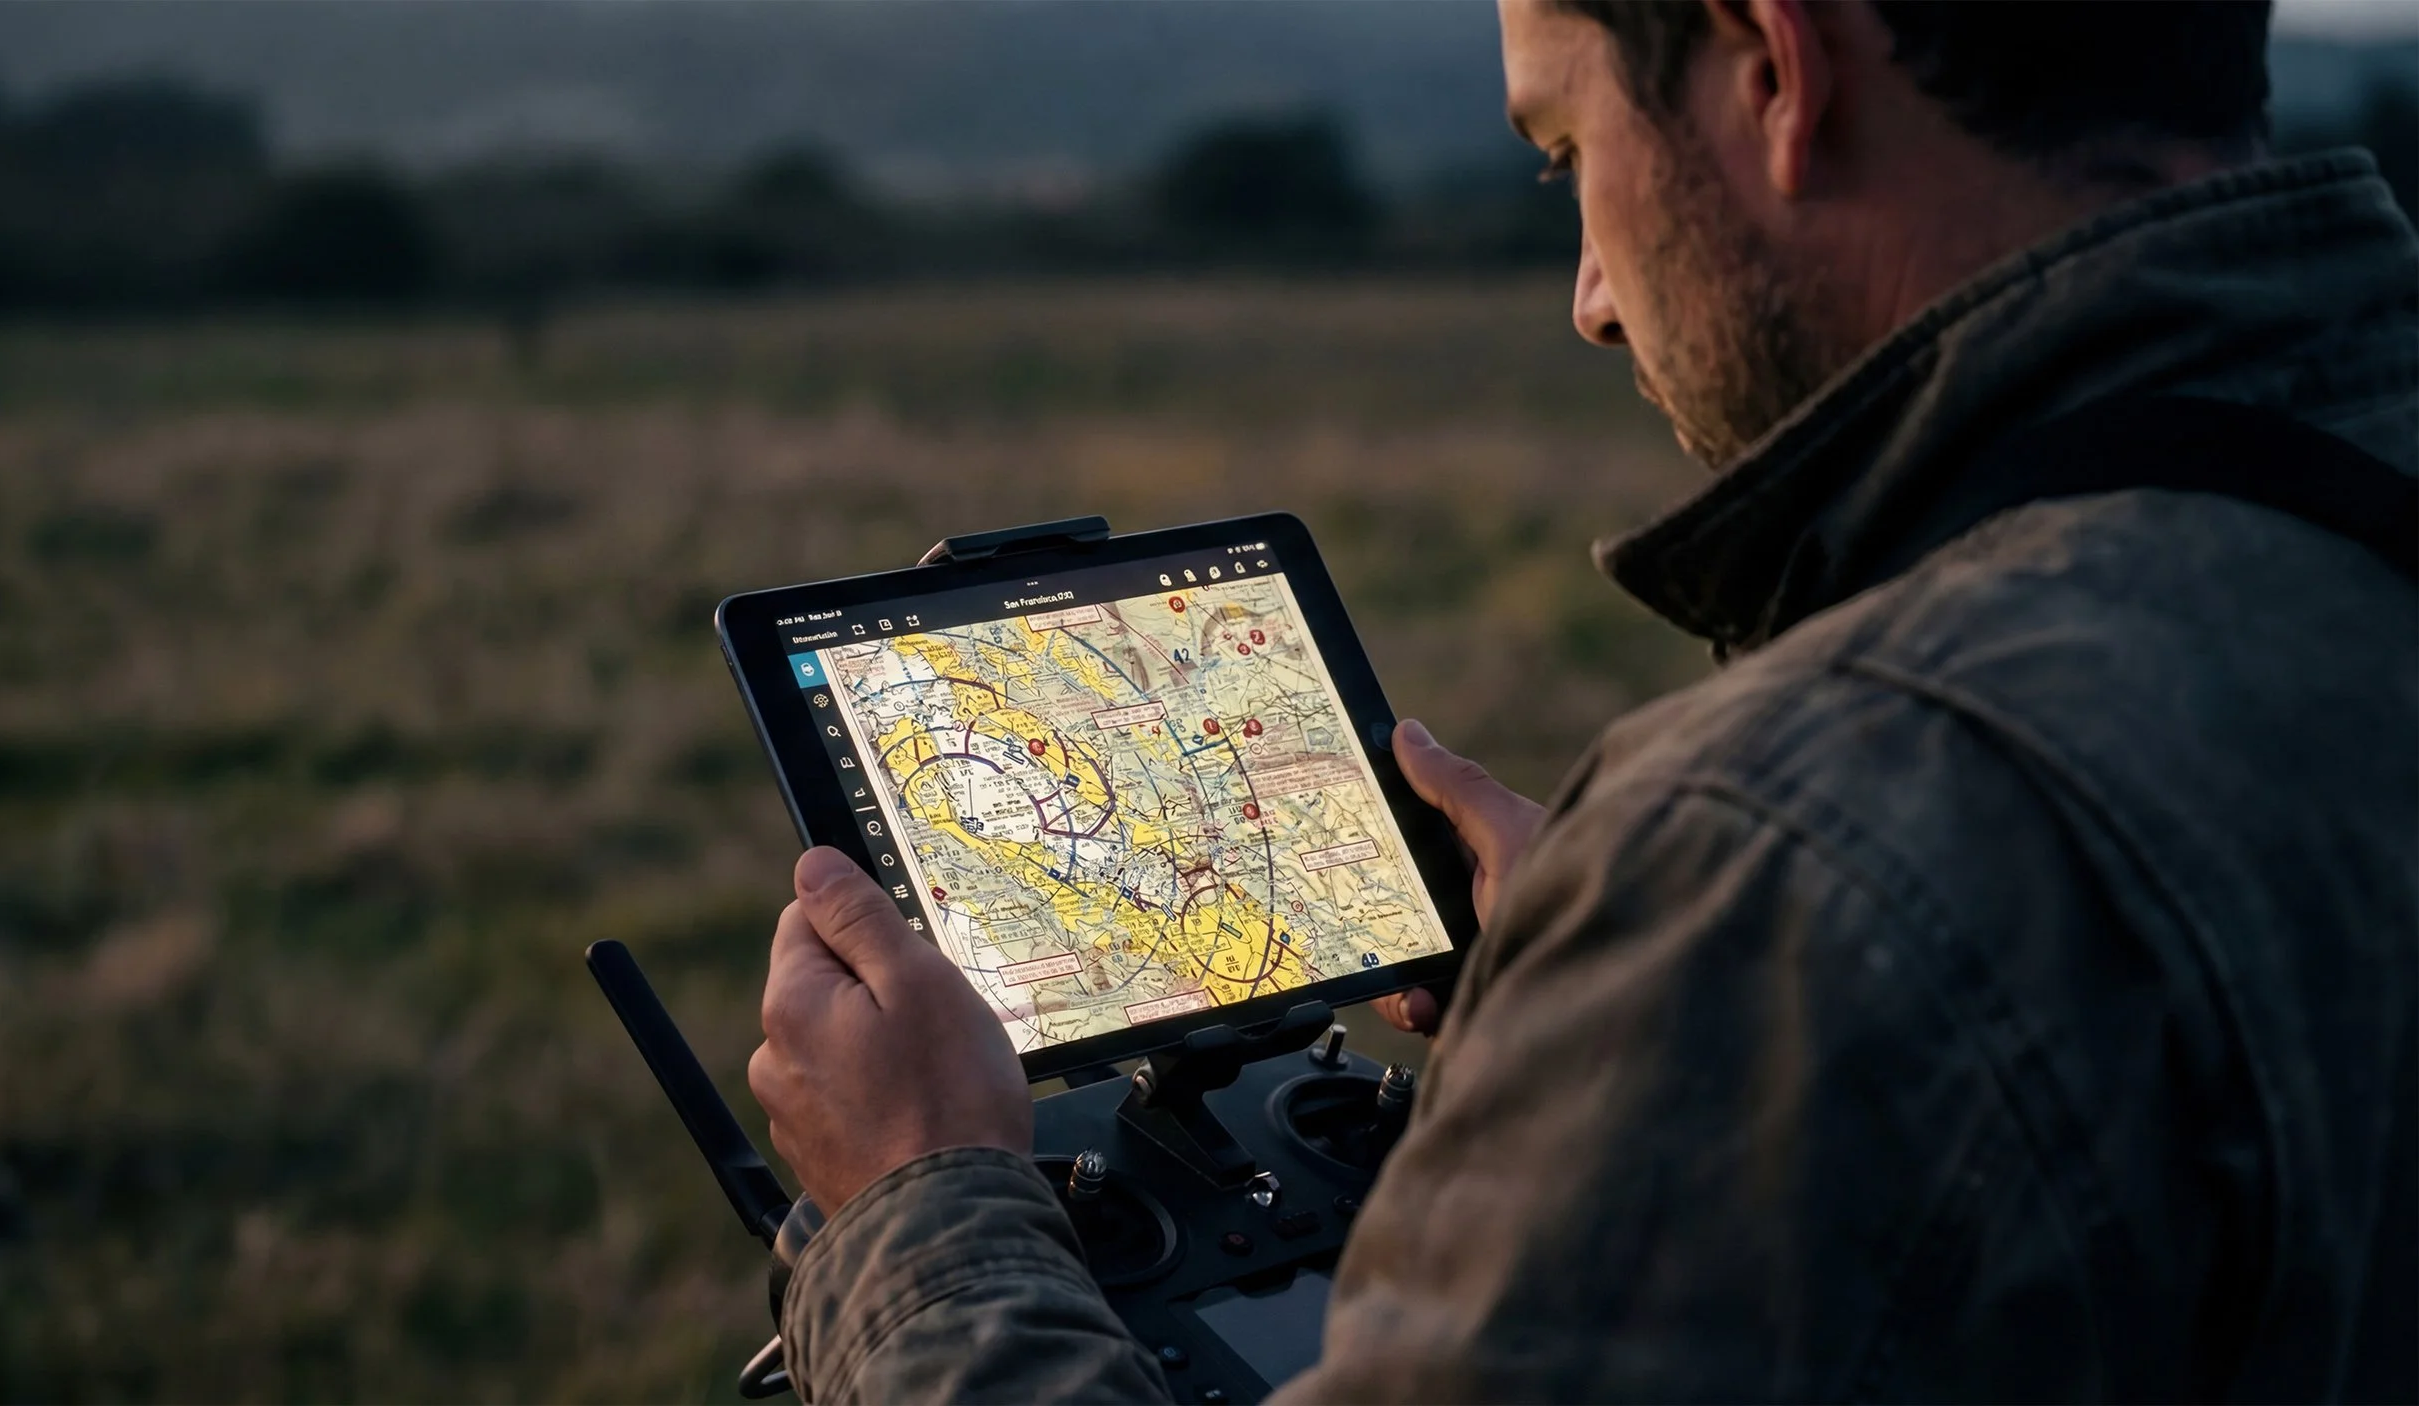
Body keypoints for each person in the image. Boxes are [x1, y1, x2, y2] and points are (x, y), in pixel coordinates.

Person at [744, 1, 2418, 1399]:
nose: (1593, 299)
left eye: (1564, 156)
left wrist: (923, 1221)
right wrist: (1646, 1019)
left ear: (1774, 68)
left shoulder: (1824, 854)